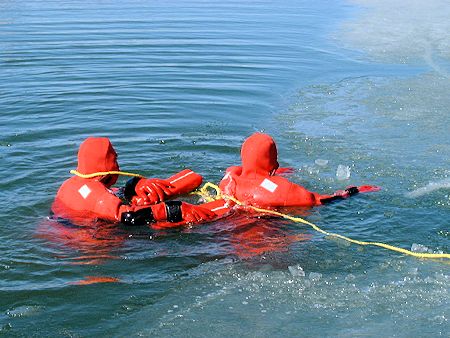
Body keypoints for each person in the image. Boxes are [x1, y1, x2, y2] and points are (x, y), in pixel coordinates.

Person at [51, 137, 217, 227]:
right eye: (115, 158)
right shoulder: (96, 194)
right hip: (91, 247)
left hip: (61, 232)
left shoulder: (72, 184)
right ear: (108, 165)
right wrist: (173, 210)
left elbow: (100, 199)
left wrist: (132, 186)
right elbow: (128, 216)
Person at [219, 132, 378, 208]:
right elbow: (320, 200)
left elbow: (251, 172)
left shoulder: (230, 176)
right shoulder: (282, 190)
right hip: (265, 237)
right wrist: (353, 191)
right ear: (273, 163)